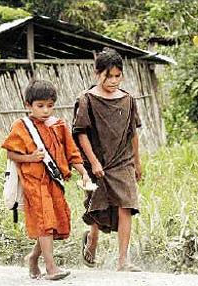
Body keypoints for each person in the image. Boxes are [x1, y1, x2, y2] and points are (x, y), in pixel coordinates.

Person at [2, 80, 90, 280]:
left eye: (50, 105)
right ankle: (51, 268)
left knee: (53, 222)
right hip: (34, 183)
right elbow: (11, 154)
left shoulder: (59, 126)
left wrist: (83, 173)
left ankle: (33, 257)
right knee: (44, 221)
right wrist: (30, 158)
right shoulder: (21, 126)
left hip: (54, 183)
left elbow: (72, 153)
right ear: (28, 105)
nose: (45, 111)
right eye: (40, 106)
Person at [72, 47, 142, 271]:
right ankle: (91, 242)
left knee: (126, 206)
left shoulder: (128, 100)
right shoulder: (87, 100)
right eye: (108, 76)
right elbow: (81, 133)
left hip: (123, 161)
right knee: (98, 207)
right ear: (97, 73)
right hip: (98, 161)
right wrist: (92, 162)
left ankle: (123, 261)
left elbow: (133, 134)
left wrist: (137, 163)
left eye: (117, 76)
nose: (113, 81)